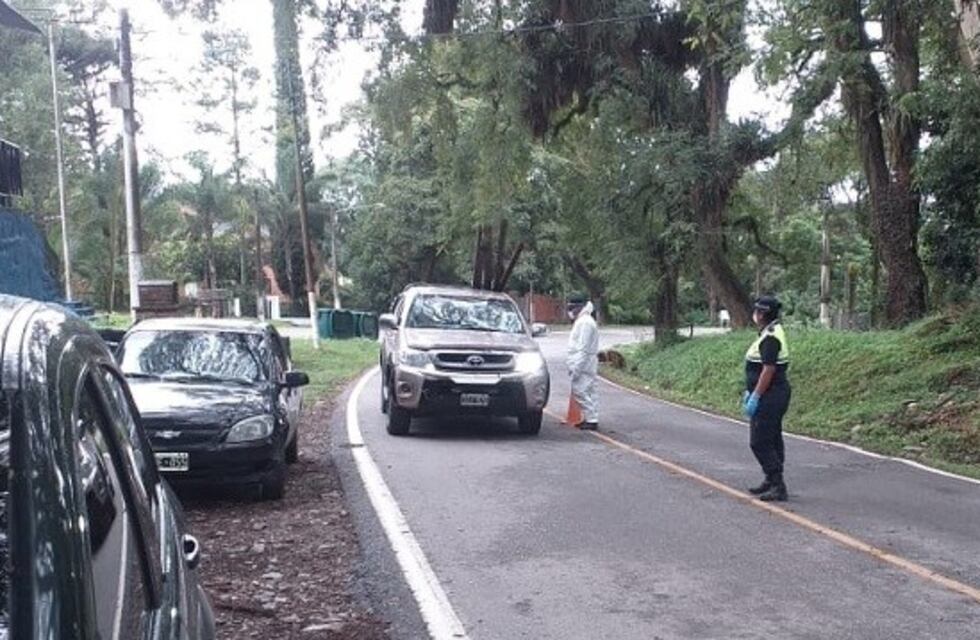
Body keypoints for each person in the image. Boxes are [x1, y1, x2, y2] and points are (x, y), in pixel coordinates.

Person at [742, 295, 791, 501]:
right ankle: (771, 480)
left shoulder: (770, 338)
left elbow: (768, 370)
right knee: (772, 438)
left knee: (760, 441)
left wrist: (756, 395)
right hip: (773, 394)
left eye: (757, 311)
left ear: (762, 314)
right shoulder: (769, 332)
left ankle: (777, 483)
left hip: (770, 395)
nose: (754, 314)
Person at [567, 296, 600, 430]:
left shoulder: (585, 323)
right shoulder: (585, 321)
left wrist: (576, 368)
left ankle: (591, 419)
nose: (570, 311)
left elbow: (583, 348)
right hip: (587, 361)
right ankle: (591, 417)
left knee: (580, 390)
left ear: (579, 307)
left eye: (572, 308)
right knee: (589, 390)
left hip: (584, 362)